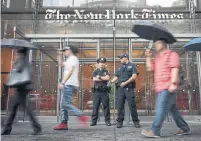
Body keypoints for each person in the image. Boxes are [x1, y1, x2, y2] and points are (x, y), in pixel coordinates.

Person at [141, 38, 191, 138]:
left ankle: (155, 131)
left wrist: (173, 83)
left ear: (164, 44)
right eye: (155, 43)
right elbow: (150, 68)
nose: (156, 45)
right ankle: (185, 128)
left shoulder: (172, 54)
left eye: (158, 43)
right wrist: (148, 57)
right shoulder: (157, 57)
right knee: (173, 110)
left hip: (167, 87)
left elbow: (175, 69)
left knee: (161, 108)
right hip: (159, 87)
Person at [1, 48, 42, 135]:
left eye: (18, 54)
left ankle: (37, 127)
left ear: (22, 54)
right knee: (15, 109)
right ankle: (7, 128)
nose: (17, 55)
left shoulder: (23, 62)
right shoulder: (26, 62)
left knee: (23, 109)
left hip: (21, 88)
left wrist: (15, 64)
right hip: (22, 88)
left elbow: (18, 74)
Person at [54, 46, 88, 130]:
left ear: (70, 51)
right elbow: (61, 64)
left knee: (65, 104)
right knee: (63, 104)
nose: (64, 52)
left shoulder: (73, 58)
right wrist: (59, 55)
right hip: (68, 84)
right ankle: (64, 123)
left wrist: (63, 82)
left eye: (66, 50)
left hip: (69, 84)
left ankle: (81, 115)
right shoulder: (69, 59)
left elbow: (70, 71)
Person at [111, 53, 140, 128]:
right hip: (120, 89)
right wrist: (110, 81)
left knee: (132, 105)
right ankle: (119, 122)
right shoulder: (120, 67)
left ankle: (136, 121)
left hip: (129, 88)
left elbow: (134, 77)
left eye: (121, 58)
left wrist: (125, 83)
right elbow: (116, 77)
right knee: (120, 105)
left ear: (125, 58)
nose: (120, 59)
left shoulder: (133, 66)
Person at [90, 57, 111, 126]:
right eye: (100, 62)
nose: (102, 64)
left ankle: (107, 121)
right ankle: (94, 121)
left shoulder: (106, 71)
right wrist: (103, 78)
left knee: (106, 106)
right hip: (97, 92)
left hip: (104, 91)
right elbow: (94, 79)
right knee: (95, 106)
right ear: (98, 63)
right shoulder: (95, 71)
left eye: (103, 63)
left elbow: (107, 78)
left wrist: (99, 77)